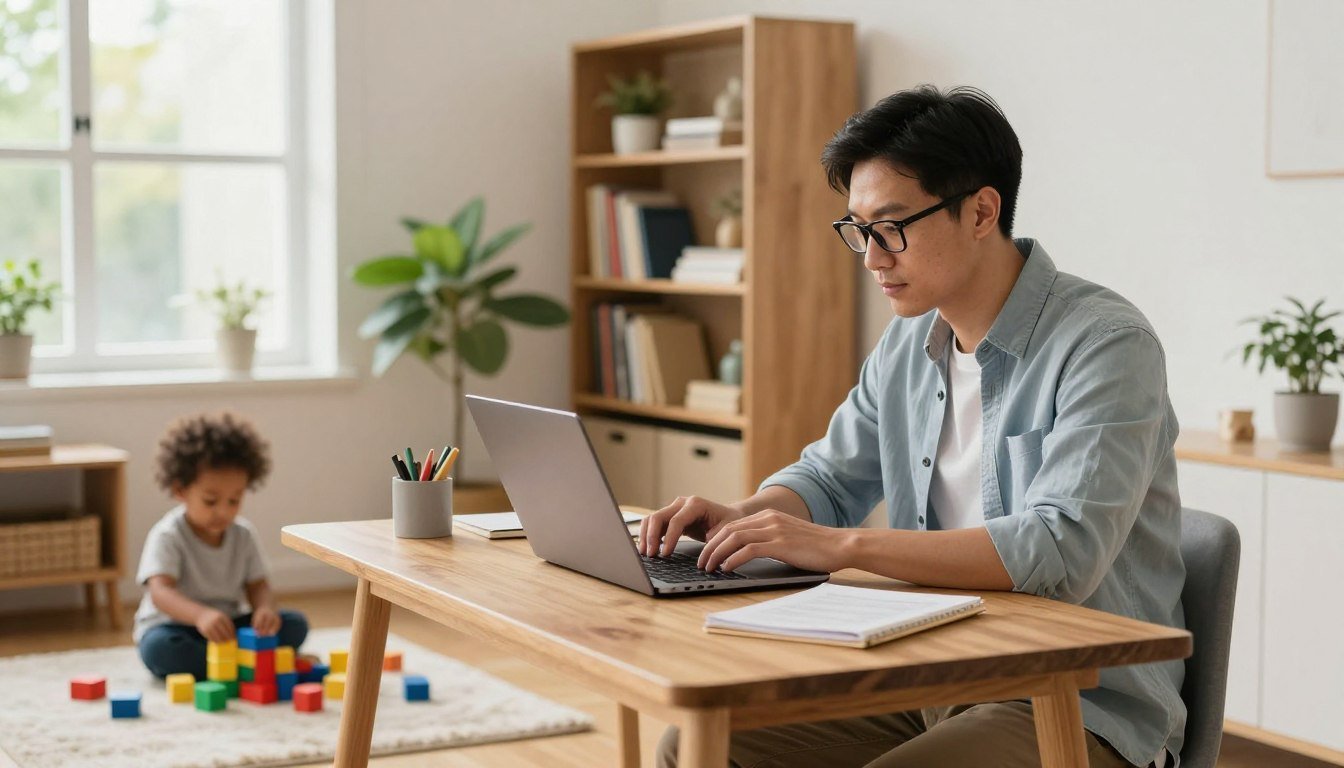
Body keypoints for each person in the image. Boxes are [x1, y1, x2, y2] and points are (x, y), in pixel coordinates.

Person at [641, 85, 1185, 768]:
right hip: (929, 669)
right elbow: (828, 477)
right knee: (696, 745)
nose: (871, 258)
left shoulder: (1106, 343)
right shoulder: (909, 343)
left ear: (982, 211)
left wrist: (842, 547)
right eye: (859, 231)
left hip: (1076, 703)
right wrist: (745, 520)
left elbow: (1060, 550)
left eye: (892, 228)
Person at [134, 412, 308, 679]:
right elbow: (160, 593)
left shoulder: (243, 535)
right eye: (210, 501)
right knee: (161, 650)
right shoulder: (168, 535)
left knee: (294, 624)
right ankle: (241, 664)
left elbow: (258, 586)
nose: (223, 512)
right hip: (175, 627)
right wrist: (201, 616)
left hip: (227, 627)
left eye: (234, 501)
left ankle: (230, 663)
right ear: (181, 490)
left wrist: (264, 610)